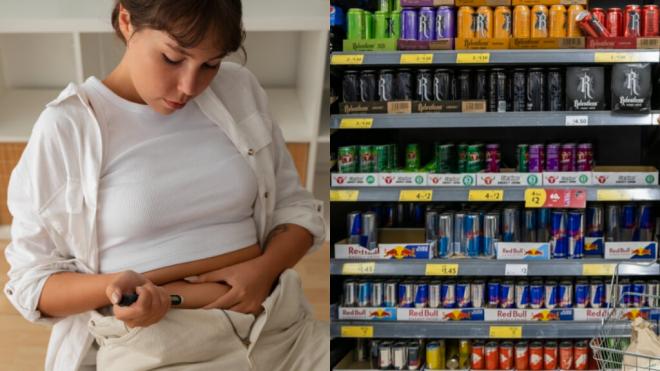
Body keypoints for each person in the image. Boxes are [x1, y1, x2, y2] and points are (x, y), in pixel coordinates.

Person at [3, 1, 328, 370]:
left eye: (210, 64)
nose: (190, 86)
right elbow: (32, 283)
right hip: (156, 347)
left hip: (279, 326)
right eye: (173, 59)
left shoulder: (238, 89)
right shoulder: (67, 128)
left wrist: (266, 269)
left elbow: (295, 207)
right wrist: (113, 286)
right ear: (126, 21)